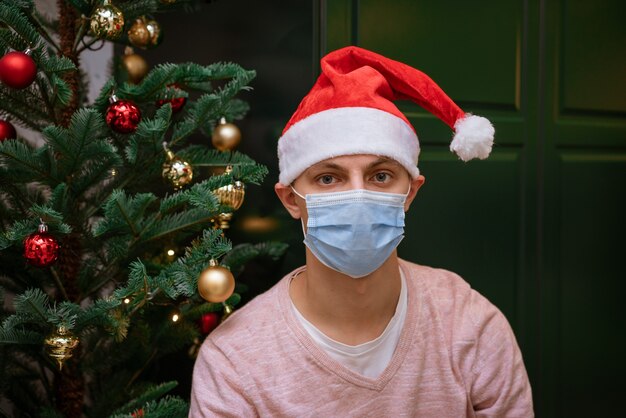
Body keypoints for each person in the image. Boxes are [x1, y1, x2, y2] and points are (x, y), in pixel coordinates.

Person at [190, 46, 533, 417]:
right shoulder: (235, 362)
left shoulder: (471, 328)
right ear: (291, 200)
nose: (357, 196)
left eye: (380, 176)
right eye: (328, 178)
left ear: (410, 192)